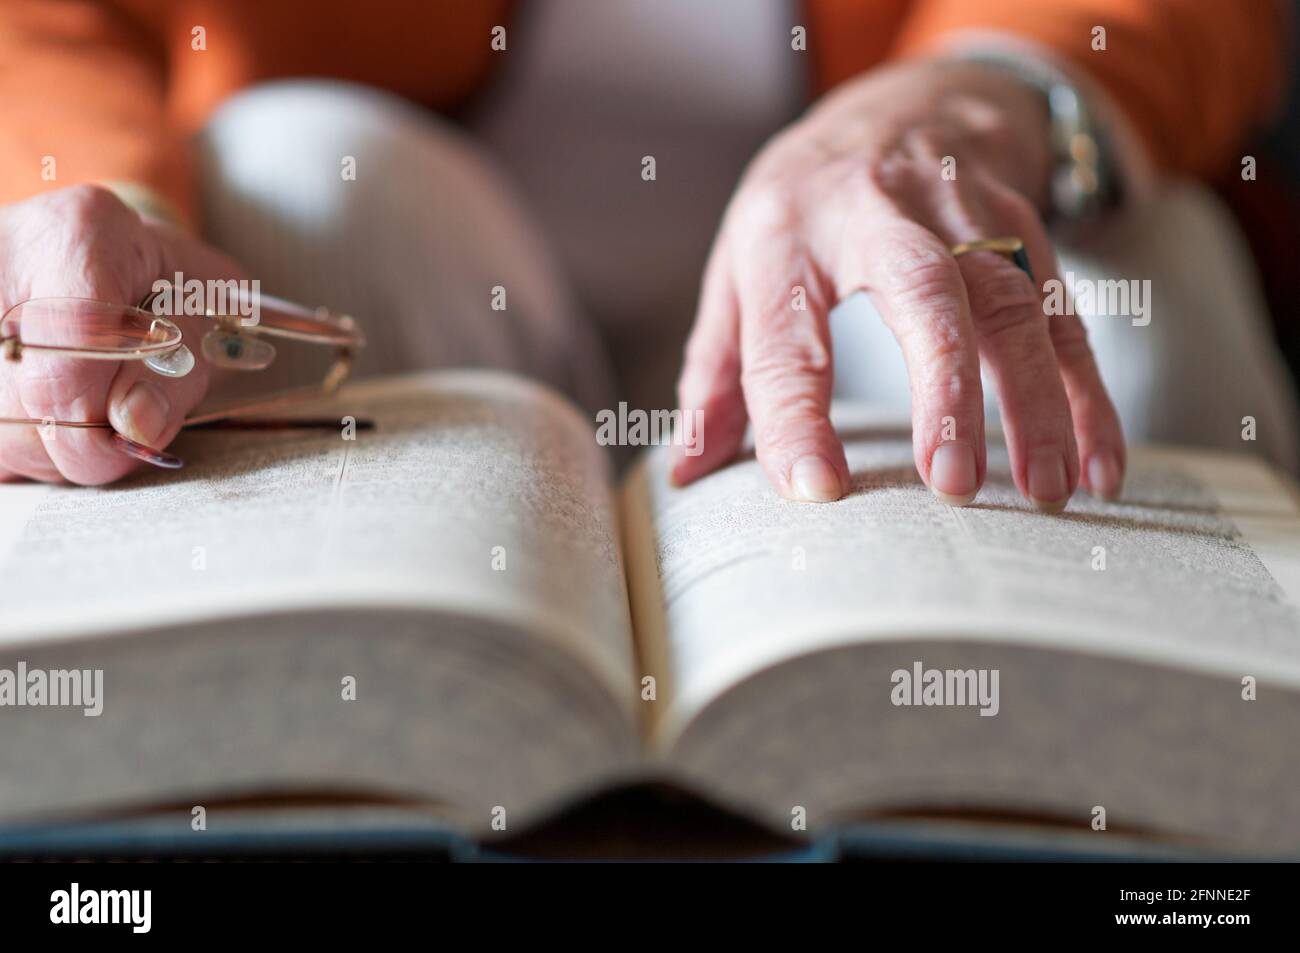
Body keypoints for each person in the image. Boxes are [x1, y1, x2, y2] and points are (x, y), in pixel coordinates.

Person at [0, 0, 1291, 509]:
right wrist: (92, 205)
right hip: (427, 289)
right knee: (296, 165)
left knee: (1135, 275)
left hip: (864, 293)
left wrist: (949, 103)